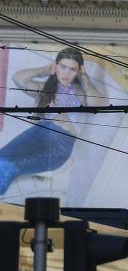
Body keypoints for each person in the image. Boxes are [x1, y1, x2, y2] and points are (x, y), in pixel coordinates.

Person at [0, 48, 92, 195]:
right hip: (35, 138)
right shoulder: (44, 90)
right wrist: (44, 70)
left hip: (59, 147)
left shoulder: (80, 94)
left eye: (72, 69)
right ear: (56, 66)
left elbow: (96, 104)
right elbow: (18, 78)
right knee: (1, 158)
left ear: (78, 71)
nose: (66, 73)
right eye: (63, 67)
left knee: (8, 164)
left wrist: (85, 77)